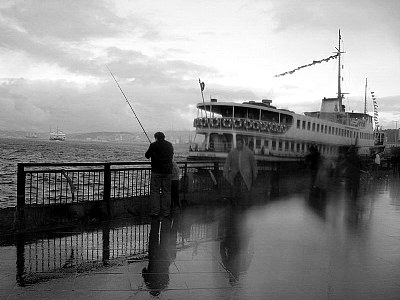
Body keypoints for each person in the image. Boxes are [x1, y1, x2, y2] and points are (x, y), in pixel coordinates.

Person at [145, 132, 174, 218]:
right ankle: (166, 212)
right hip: (167, 172)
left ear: (156, 137)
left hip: (156, 171)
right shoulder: (169, 145)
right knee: (166, 192)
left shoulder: (153, 145)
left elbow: (147, 156)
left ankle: (155, 212)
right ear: (164, 137)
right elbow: (171, 156)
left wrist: (152, 148)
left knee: (155, 192)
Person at [223, 136, 257, 205]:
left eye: (239, 143)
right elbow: (227, 163)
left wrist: (255, 173)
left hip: (245, 174)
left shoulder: (248, 152)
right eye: (237, 144)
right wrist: (225, 172)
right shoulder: (232, 152)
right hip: (235, 174)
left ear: (242, 143)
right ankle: (236, 202)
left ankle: (244, 203)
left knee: (245, 189)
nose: (238, 145)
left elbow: (253, 164)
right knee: (235, 188)